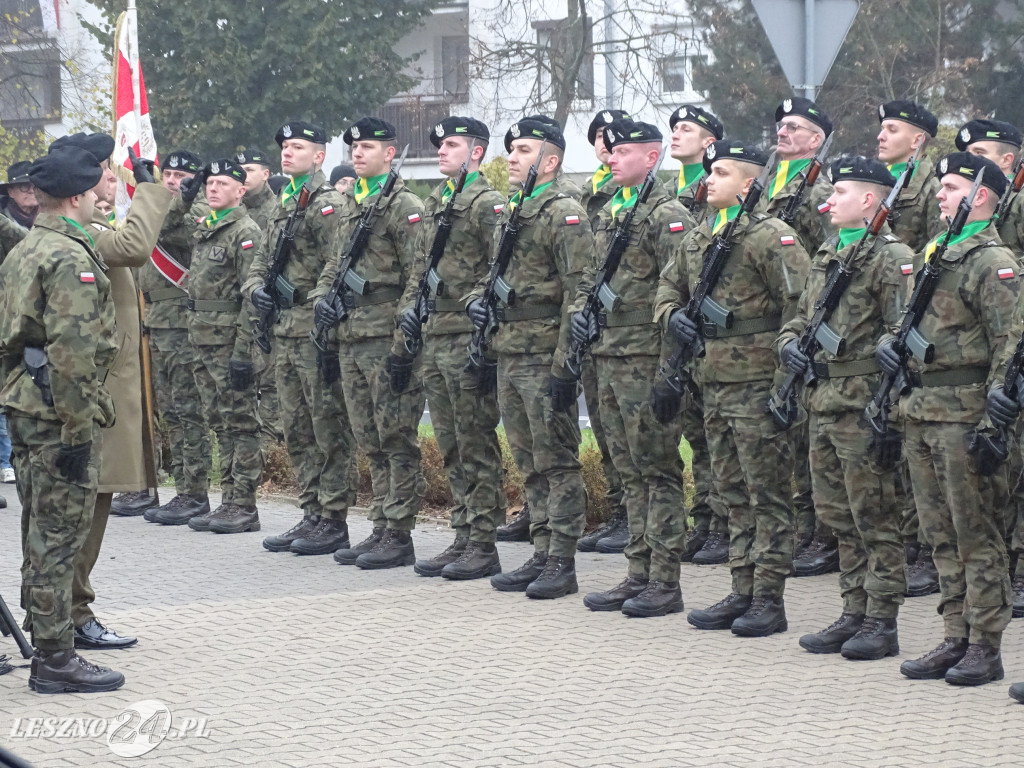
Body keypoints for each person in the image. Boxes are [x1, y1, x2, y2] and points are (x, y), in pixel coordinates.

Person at [656, 139, 810, 636]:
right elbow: (667, 287)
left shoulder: (771, 236)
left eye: (721, 172)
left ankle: (769, 597)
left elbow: (800, 309)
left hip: (758, 383)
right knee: (731, 493)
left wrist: (786, 386)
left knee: (768, 496)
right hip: (713, 382)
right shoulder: (700, 235)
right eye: (709, 171)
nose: (709, 179)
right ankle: (741, 588)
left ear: (749, 184)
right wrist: (672, 316)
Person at [776, 156, 912, 660]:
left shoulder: (890, 257)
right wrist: (789, 343)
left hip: (863, 405)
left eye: (840, 193)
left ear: (870, 200)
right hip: (823, 401)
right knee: (838, 515)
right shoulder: (830, 252)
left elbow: (902, 336)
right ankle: (853, 610)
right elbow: (801, 316)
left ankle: (882, 619)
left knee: (874, 515)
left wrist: (890, 408)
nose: (827, 201)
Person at [0, 145, 124, 693]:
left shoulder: (25, 249)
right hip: (57, 415)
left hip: (26, 406)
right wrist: (78, 431)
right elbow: (73, 355)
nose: (102, 199)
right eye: (97, 191)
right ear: (77, 197)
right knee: (58, 536)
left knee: (37, 528)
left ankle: (44, 629)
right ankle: (54, 659)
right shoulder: (69, 258)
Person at [892, 151, 1017, 686]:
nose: (938, 196)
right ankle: (954, 634)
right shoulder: (940, 253)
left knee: (976, 536)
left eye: (949, 187)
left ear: (981, 195)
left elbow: (1010, 345)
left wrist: (994, 423)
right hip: (922, 413)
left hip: (964, 416)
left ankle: (985, 646)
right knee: (939, 534)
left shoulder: (992, 261)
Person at [50, 132, 171, 650]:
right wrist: (150, 191)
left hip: (104, 392)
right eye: (103, 170)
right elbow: (135, 247)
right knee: (81, 514)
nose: (111, 178)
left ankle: (69, 612)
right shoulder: (75, 232)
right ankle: (69, 616)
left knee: (91, 510)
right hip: (92, 398)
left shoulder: (88, 226)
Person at [466, 115, 593, 599]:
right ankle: (541, 550)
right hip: (509, 351)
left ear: (550, 159)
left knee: (556, 460)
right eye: (511, 150)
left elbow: (579, 292)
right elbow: (494, 273)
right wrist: (480, 298)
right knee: (528, 460)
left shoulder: (564, 213)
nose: (512, 159)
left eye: (522, 150)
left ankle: (562, 559)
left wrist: (566, 363)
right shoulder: (514, 211)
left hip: (543, 356)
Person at [572, 118, 693, 616]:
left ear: (653, 157)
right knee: (628, 471)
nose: (613, 158)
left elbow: (680, 292)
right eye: (611, 152)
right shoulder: (610, 213)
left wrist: (671, 371)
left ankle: (665, 581)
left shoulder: (667, 215)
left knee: (656, 470)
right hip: (608, 356)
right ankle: (637, 571)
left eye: (625, 152)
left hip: (645, 359)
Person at [315, 116, 427, 569]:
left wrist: (404, 343)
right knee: (369, 436)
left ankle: (399, 533)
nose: (358, 153)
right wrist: (322, 298)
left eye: (368, 147)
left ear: (390, 152)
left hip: (385, 336)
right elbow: (333, 264)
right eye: (354, 148)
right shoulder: (349, 205)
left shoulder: (403, 206)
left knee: (396, 435)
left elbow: (417, 276)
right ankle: (381, 523)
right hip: (349, 335)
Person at [242, 121, 357, 556]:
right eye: (285, 147)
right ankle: (311, 512)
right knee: (297, 429)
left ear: (319, 156)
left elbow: (337, 261)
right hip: (284, 330)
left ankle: (333, 518)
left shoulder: (326, 205)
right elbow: (263, 259)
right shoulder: (283, 204)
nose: (287, 153)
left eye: (298, 147)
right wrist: (253, 288)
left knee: (327, 425)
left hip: (314, 328)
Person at [403, 116, 507, 580]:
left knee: (475, 441)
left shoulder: (488, 204)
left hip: (467, 334)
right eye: (439, 145)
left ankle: (485, 543)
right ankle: (464, 533)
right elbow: (419, 267)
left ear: (476, 153)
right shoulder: (437, 202)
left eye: (451, 145)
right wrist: (410, 311)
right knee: (450, 442)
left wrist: (479, 319)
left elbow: (498, 267)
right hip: (435, 333)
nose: (441, 151)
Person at [163, 158, 265, 532]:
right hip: (202, 341)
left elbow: (251, 298)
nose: (213, 188)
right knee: (219, 422)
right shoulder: (207, 228)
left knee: (241, 423)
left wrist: (242, 352)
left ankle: (244, 505)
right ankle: (227, 500)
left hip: (228, 344)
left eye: (223, 184)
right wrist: (183, 200)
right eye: (210, 184)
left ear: (241, 191)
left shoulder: (244, 231)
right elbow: (167, 228)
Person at [762, 96, 837, 576]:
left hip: (803, 322)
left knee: (808, 436)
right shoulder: (773, 186)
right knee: (788, 433)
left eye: (795, 127)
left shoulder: (817, 191)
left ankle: (819, 535)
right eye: (781, 125)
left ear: (817, 141)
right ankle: (801, 530)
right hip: (775, 326)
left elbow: (827, 260)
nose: (783, 131)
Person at [666, 103, 729, 564]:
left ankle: (724, 524)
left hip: (722, 340)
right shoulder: (671, 192)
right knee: (697, 432)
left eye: (686, 128)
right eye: (673, 127)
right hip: (683, 334)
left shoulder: (719, 194)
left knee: (716, 436)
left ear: (710, 142)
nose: (675, 134)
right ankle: (705, 519)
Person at [139, 150, 214, 525]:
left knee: (189, 411)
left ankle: (195, 491)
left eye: (179, 175)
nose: (171, 180)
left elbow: (164, 231)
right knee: (169, 411)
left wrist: (177, 198)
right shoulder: (162, 207)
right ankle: (182, 487)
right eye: (165, 174)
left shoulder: (197, 211)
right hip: (157, 320)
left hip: (182, 322)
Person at [572, 107, 630, 555]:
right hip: (591, 328)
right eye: (600, 139)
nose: (606, 146)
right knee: (605, 426)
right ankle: (617, 511)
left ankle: (633, 516)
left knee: (628, 430)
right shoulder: (582, 195)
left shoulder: (628, 195)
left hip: (626, 333)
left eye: (615, 140)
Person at [236, 147, 284, 453]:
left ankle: (272, 457)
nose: (243, 175)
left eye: (250, 170)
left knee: (271, 389)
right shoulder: (235, 210)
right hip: (240, 312)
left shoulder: (276, 211)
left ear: (266, 174)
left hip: (269, 313)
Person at [0, 161, 38, 228]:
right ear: (11, 192)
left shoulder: (51, 214)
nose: (32, 191)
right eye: (24, 186)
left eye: (35, 185)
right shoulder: (3, 221)